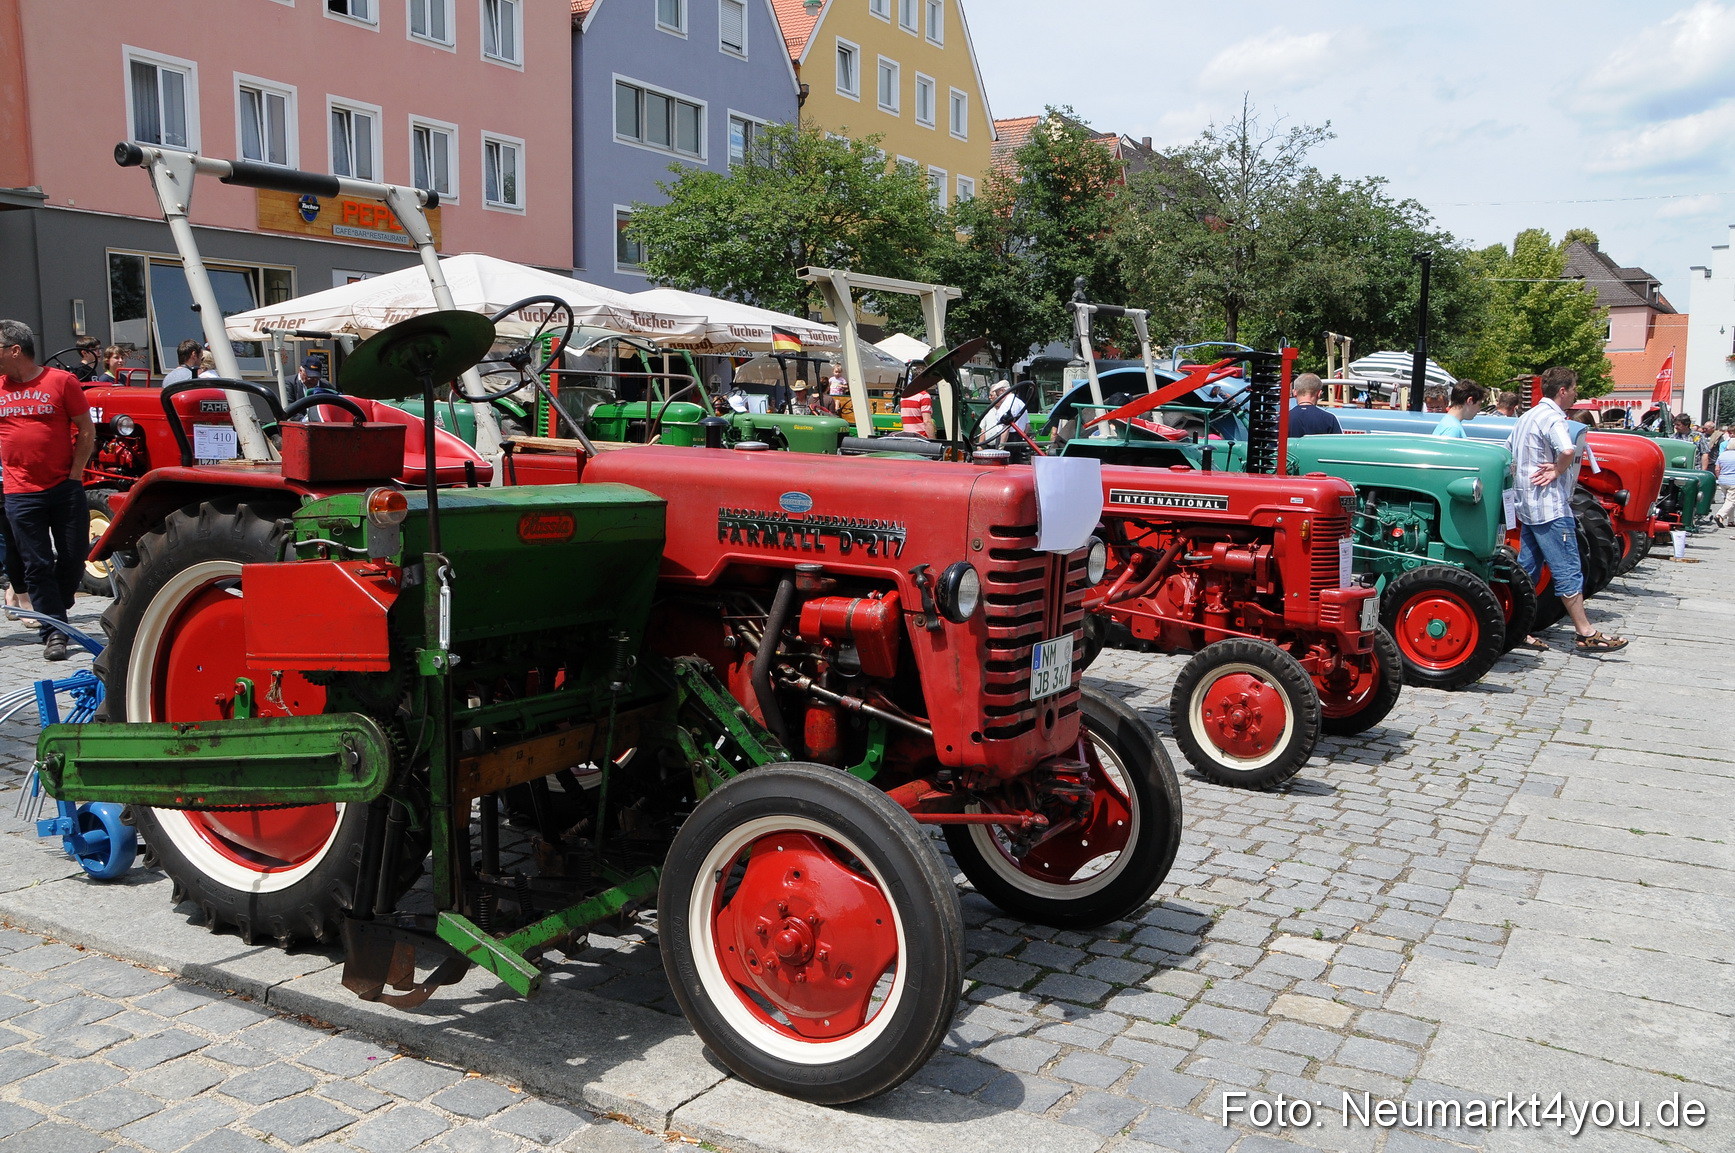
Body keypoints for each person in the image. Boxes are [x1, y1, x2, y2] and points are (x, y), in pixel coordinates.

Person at [1511, 365, 1626, 654]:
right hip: (1549, 507)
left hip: (1528, 505)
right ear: (1563, 391)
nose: (1576, 393)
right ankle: (1585, 631)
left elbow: (1509, 451)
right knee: (1567, 569)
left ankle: (1516, 628)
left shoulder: (1527, 416)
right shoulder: (1553, 418)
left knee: (1528, 570)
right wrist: (1557, 471)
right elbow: (1567, 450)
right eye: (1574, 388)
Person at [0, 320, 96, 662]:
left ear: (15, 350)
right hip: (20, 491)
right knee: (36, 565)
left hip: (64, 485)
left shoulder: (61, 381)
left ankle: (57, 601)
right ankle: (54, 630)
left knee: (74, 556)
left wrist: (75, 473)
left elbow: (86, 429)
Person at [976, 379, 1030, 448]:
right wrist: (1021, 439)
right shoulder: (1021, 403)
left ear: (1002, 391)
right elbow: (1027, 425)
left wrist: (1001, 446)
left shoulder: (1005, 405)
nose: (997, 395)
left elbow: (1005, 429)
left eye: (997, 392)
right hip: (1018, 439)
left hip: (1006, 439)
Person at [1716, 427, 1735, 527]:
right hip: (1733, 481)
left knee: (1728, 500)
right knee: (1731, 501)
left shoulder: (1722, 455)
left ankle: (1731, 520)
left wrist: (1719, 478)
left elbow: (1717, 469)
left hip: (1723, 480)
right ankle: (1720, 515)